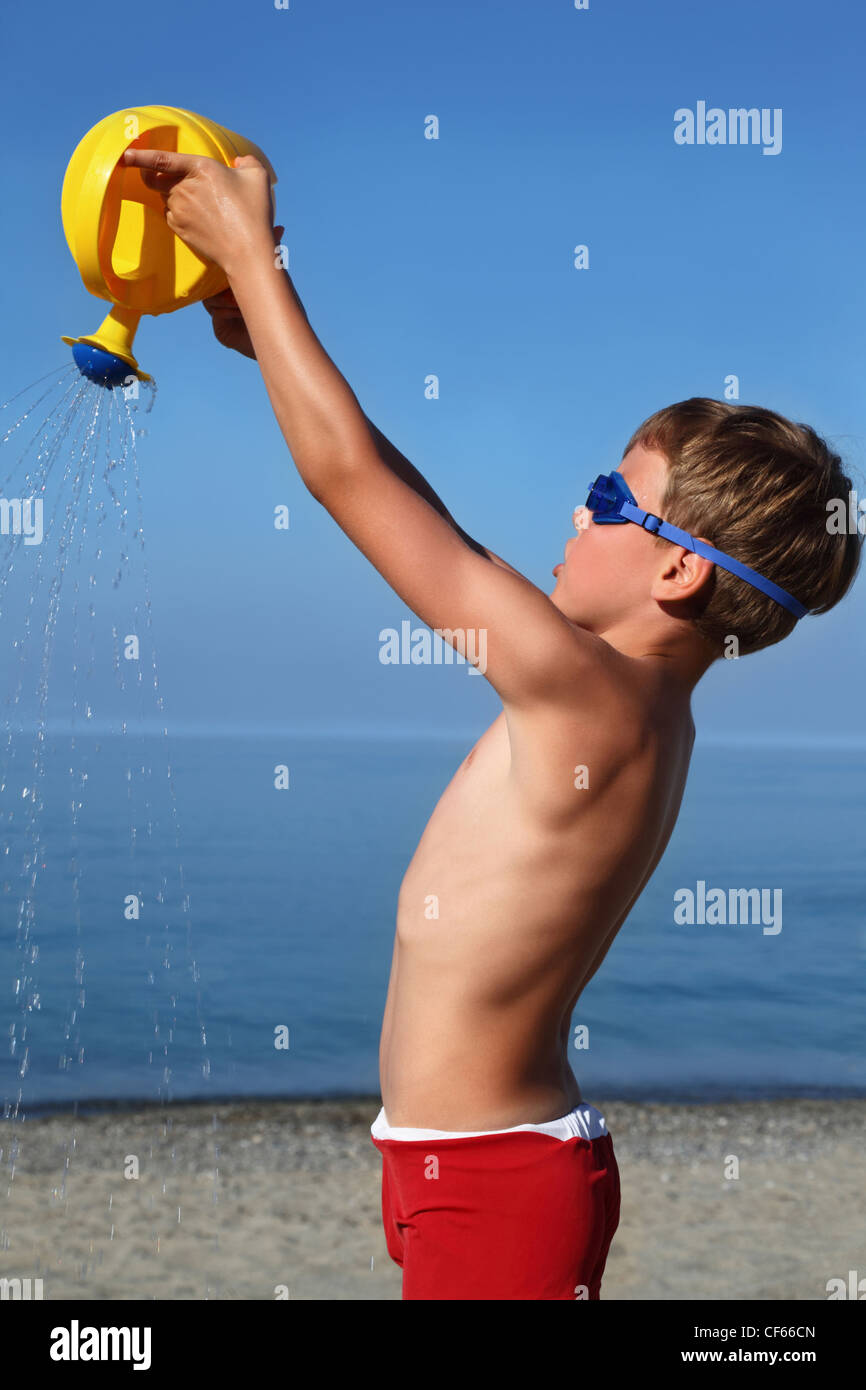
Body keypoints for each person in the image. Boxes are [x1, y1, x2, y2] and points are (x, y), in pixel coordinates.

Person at [120, 146, 863, 1300]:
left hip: (491, 1183)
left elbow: (349, 482)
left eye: (615, 498)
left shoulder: (587, 698)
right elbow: (420, 511)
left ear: (675, 573)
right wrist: (266, 326)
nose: (579, 506)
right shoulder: (628, 701)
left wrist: (257, 267)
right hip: (467, 1168)